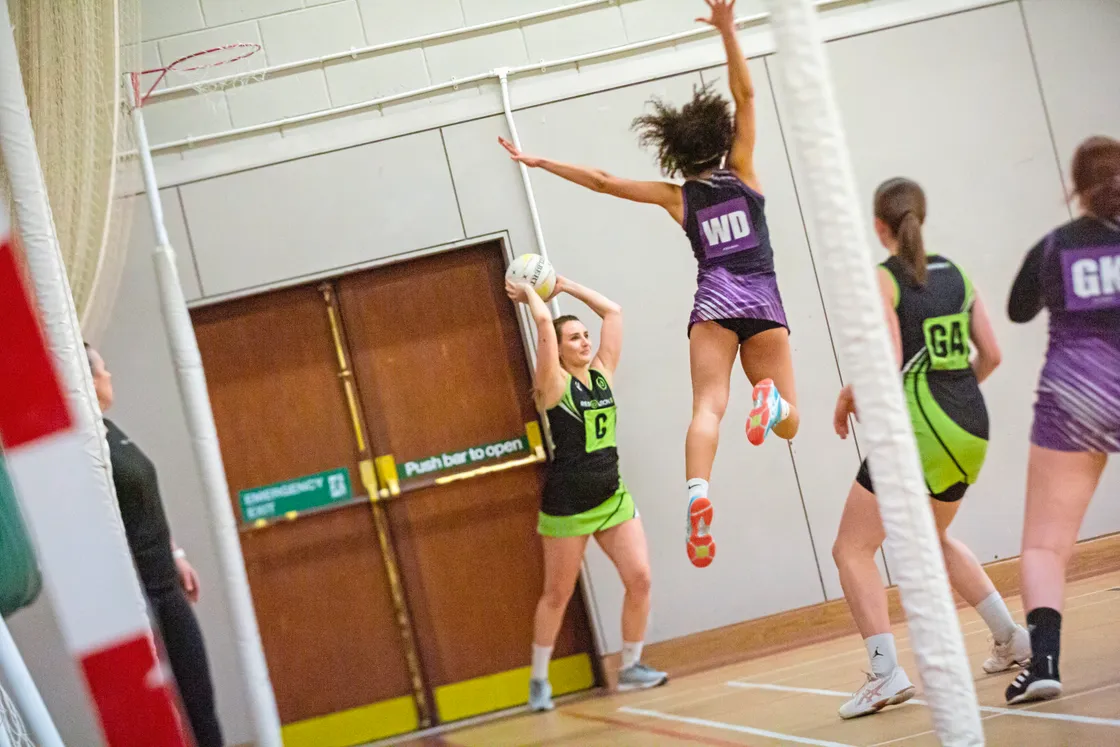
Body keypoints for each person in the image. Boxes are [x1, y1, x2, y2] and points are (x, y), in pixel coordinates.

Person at [498, 0, 799, 568]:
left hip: (713, 302)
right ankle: (771, 398)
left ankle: (698, 494)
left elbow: (605, 182)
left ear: (676, 151)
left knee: (707, 407)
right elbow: (747, 97)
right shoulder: (746, 172)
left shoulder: (677, 197)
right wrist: (729, 33)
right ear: (719, 137)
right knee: (789, 425)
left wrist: (539, 162)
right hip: (762, 297)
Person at [830, 178, 1029, 719]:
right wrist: (954, 399)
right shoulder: (957, 274)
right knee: (934, 537)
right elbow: (990, 355)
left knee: (851, 549)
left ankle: (884, 672)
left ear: (879, 227)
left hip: (920, 433)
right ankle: (1011, 638)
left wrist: (852, 395)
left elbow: (889, 364)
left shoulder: (885, 280)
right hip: (970, 427)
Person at [506, 275, 667, 712]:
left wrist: (562, 285)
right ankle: (539, 680)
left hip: (612, 496)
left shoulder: (602, 374)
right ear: (557, 350)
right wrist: (532, 296)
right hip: (569, 506)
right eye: (573, 337)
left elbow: (612, 311)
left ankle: (631, 666)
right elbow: (542, 328)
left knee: (641, 578)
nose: (583, 341)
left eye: (583, 335)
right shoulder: (553, 385)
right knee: (556, 594)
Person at [1004, 135, 1120, 705]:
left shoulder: (1054, 248)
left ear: (1076, 187)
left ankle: (1044, 663)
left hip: (1076, 395)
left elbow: (1017, 308)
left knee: (1046, 545)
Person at [86, 344, 224, 746]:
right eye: (104, 368)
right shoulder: (88, 447)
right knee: (174, 718)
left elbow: (139, 504)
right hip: (144, 600)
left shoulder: (109, 430)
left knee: (200, 704)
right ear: (87, 379)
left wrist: (176, 553)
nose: (110, 376)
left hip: (166, 587)